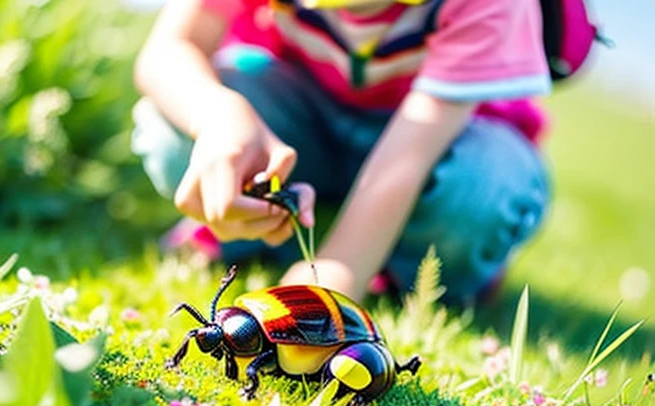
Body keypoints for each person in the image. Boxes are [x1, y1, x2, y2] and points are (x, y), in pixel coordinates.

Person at [131, 0, 552, 305]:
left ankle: (403, 262)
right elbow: (168, 51)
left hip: (438, 148)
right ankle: (263, 230)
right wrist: (220, 116)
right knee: (174, 127)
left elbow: (406, 160)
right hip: (304, 116)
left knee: (482, 194)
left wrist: (336, 274)